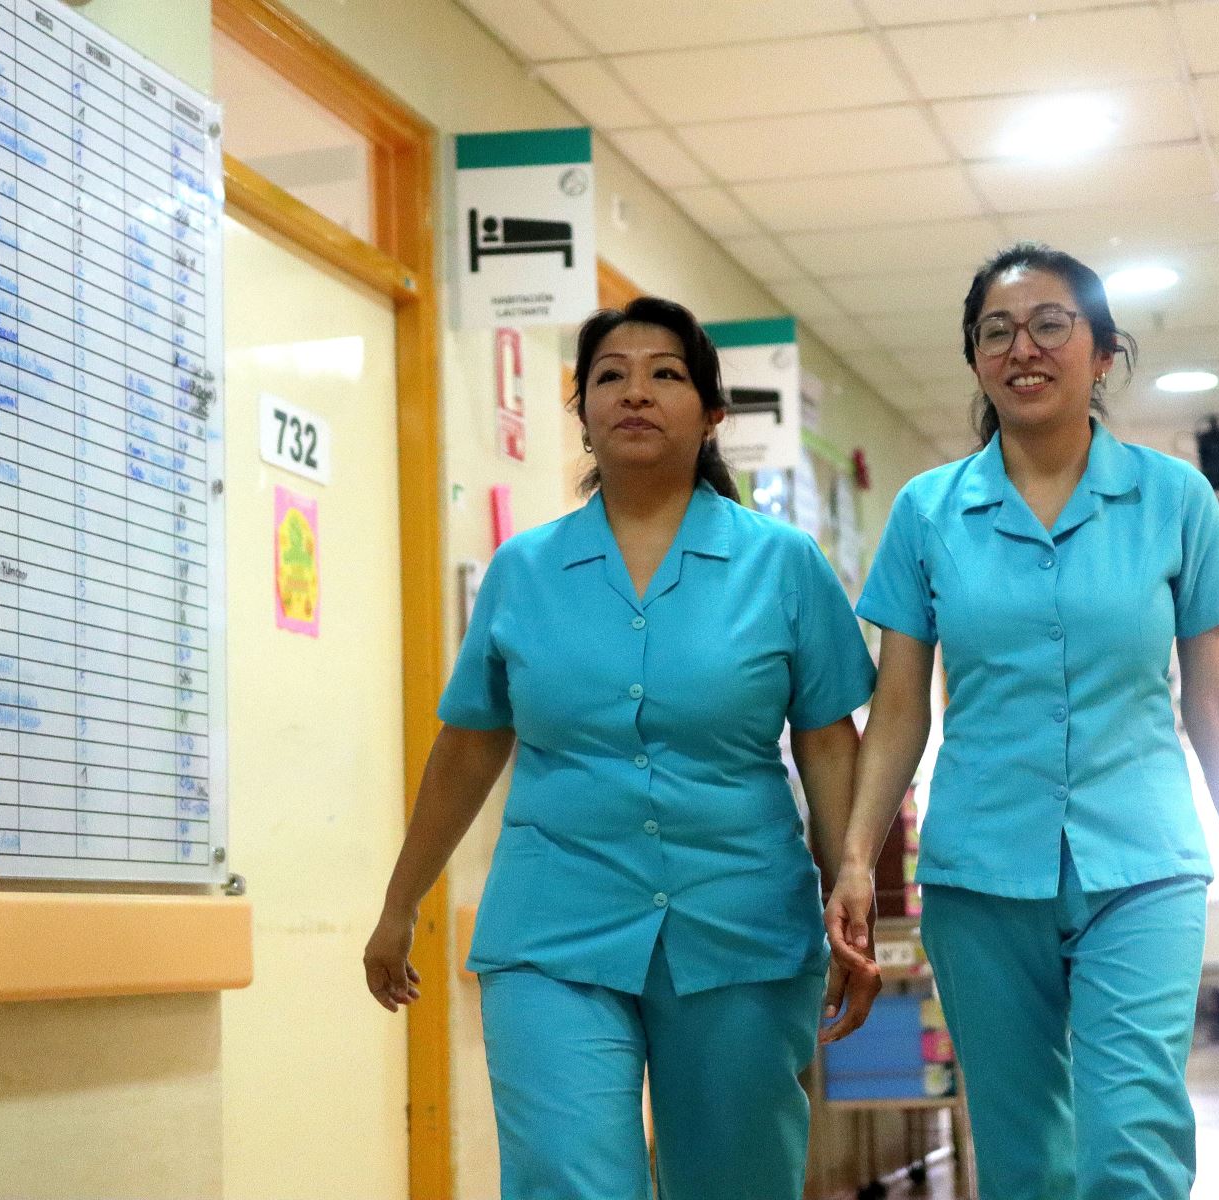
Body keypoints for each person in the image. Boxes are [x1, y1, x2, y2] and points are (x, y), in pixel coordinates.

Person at [363, 296, 882, 1200]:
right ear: (584, 414)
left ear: (713, 414)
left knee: (737, 1180)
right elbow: (469, 745)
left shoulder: (784, 565)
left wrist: (851, 889)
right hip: (554, 925)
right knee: (568, 1177)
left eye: (666, 375)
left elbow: (829, 745)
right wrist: (401, 900)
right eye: (610, 376)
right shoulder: (523, 571)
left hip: (741, 925)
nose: (635, 392)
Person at [825, 244, 1219, 1199]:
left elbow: (1217, 708)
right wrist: (855, 860)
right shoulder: (928, 513)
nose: (1023, 348)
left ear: (1103, 352)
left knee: (1131, 1140)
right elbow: (902, 706)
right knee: (1024, 1157)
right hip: (980, 872)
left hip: (1144, 864)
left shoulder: (1173, 500)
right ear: (974, 361)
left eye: (1051, 325)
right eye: (995, 332)